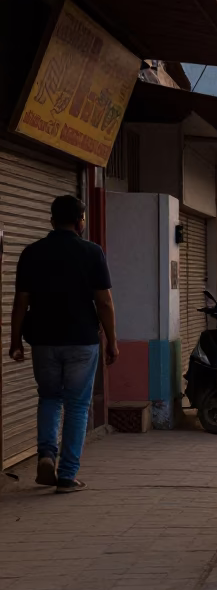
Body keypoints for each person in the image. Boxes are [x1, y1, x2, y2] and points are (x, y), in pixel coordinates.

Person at [8, 195, 117, 493]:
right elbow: (104, 302)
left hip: (43, 341)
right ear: (81, 221)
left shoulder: (31, 253)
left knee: (49, 398)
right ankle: (67, 475)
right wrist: (112, 342)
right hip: (82, 341)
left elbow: (21, 302)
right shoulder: (92, 252)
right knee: (78, 406)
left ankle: (46, 454)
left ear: (51, 220)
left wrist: (15, 340)